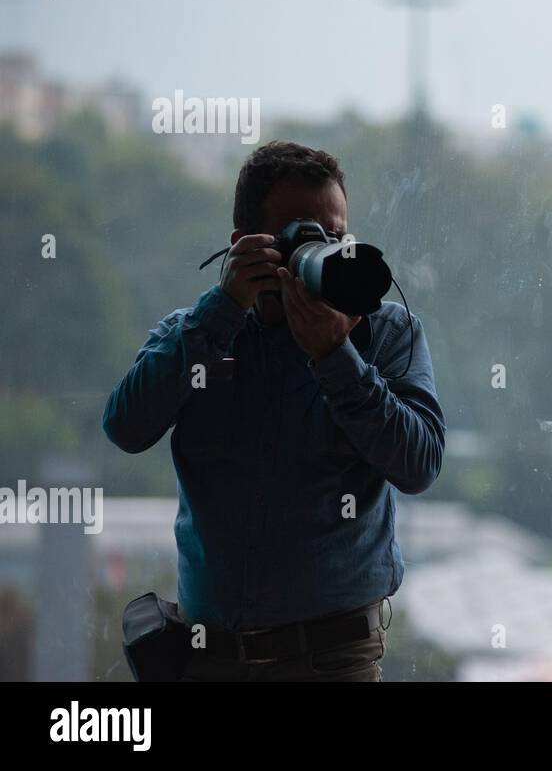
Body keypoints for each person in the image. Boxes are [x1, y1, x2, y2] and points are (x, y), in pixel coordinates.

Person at [103, 141, 445, 681]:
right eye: (302, 236)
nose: (323, 251)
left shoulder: (385, 331)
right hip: (209, 657)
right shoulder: (194, 333)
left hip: (336, 659)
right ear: (244, 245)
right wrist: (221, 313)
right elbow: (125, 427)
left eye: (335, 237)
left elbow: (419, 464)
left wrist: (338, 359)